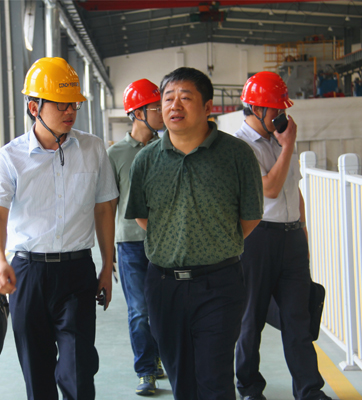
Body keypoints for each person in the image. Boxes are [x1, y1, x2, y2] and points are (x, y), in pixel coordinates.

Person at [125, 67, 264, 400]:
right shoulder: (146, 160)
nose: (174, 106)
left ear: (208, 107)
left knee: (214, 378)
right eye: (167, 99)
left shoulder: (237, 155)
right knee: (181, 379)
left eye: (185, 98)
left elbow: (250, 216)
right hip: (164, 286)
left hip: (219, 283)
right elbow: (144, 217)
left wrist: (213, 241)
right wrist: (175, 239)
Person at [0, 57, 118, 400]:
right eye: (61, 104)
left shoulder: (93, 149)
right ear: (34, 107)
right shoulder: (10, 157)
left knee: (78, 370)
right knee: (37, 372)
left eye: (73, 103)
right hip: (27, 274)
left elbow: (104, 209)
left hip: (77, 272)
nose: (70, 111)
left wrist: (107, 266)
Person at [234, 71, 332, 400]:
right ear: (256, 109)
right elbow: (271, 189)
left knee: (298, 319)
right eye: (276, 110)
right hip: (257, 239)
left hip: (291, 239)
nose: (281, 116)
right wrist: (288, 145)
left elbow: (293, 190)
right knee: (251, 319)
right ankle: (249, 387)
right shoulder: (240, 146)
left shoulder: (279, 140)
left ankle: (309, 390)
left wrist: (301, 232)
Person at [107, 78, 164, 396]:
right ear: (138, 113)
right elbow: (107, 207)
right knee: (139, 310)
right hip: (129, 244)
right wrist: (108, 254)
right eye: (156, 107)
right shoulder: (114, 154)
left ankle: (158, 357)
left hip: (165, 243)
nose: (163, 112)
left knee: (162, 309)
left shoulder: (166, 148)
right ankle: (145, 370)